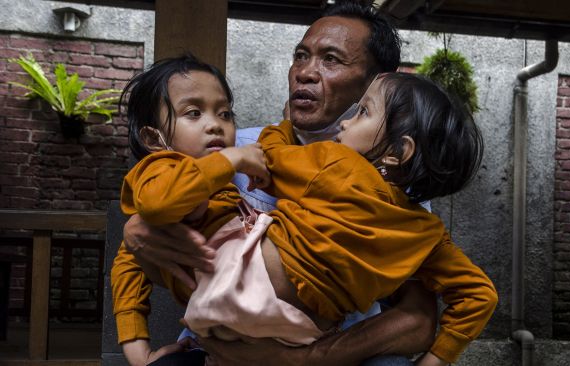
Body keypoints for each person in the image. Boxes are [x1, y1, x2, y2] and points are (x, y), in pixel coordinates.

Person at [120, 2, 493, 365]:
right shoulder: (229, 147)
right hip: (216, 342)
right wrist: (138, 226)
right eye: (301, 56)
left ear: (376, 79)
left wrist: (301, 359)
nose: (306, 72)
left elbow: (419, 319)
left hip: (330, 344)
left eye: (331, 60)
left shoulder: (403, 191)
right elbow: (153, 205)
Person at [112, 54, 271, 366]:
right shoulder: (161, 168)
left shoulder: (219, 185)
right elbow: (158, 207)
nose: (215, 125)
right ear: (153, 138)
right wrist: (141, 356)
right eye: (194, 113)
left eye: (224, 113)